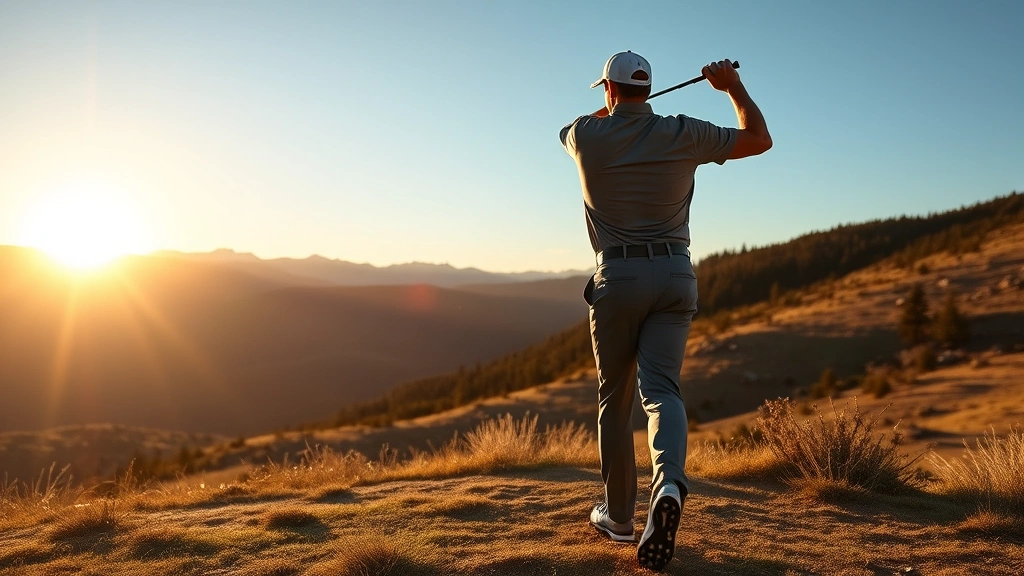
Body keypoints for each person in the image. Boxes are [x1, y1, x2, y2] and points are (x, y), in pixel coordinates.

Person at [558, 51, 771, 571]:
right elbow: (759, 138)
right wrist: (732, 88)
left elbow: (568, 126)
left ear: (608, 90)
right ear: (649, 89)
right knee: (662, 391)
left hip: (620, 277)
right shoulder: (686, 132)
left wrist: (616, 109)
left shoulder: (585, 135)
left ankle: (620, 517)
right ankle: (669, 484)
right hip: (676, 275)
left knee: (616, 397)